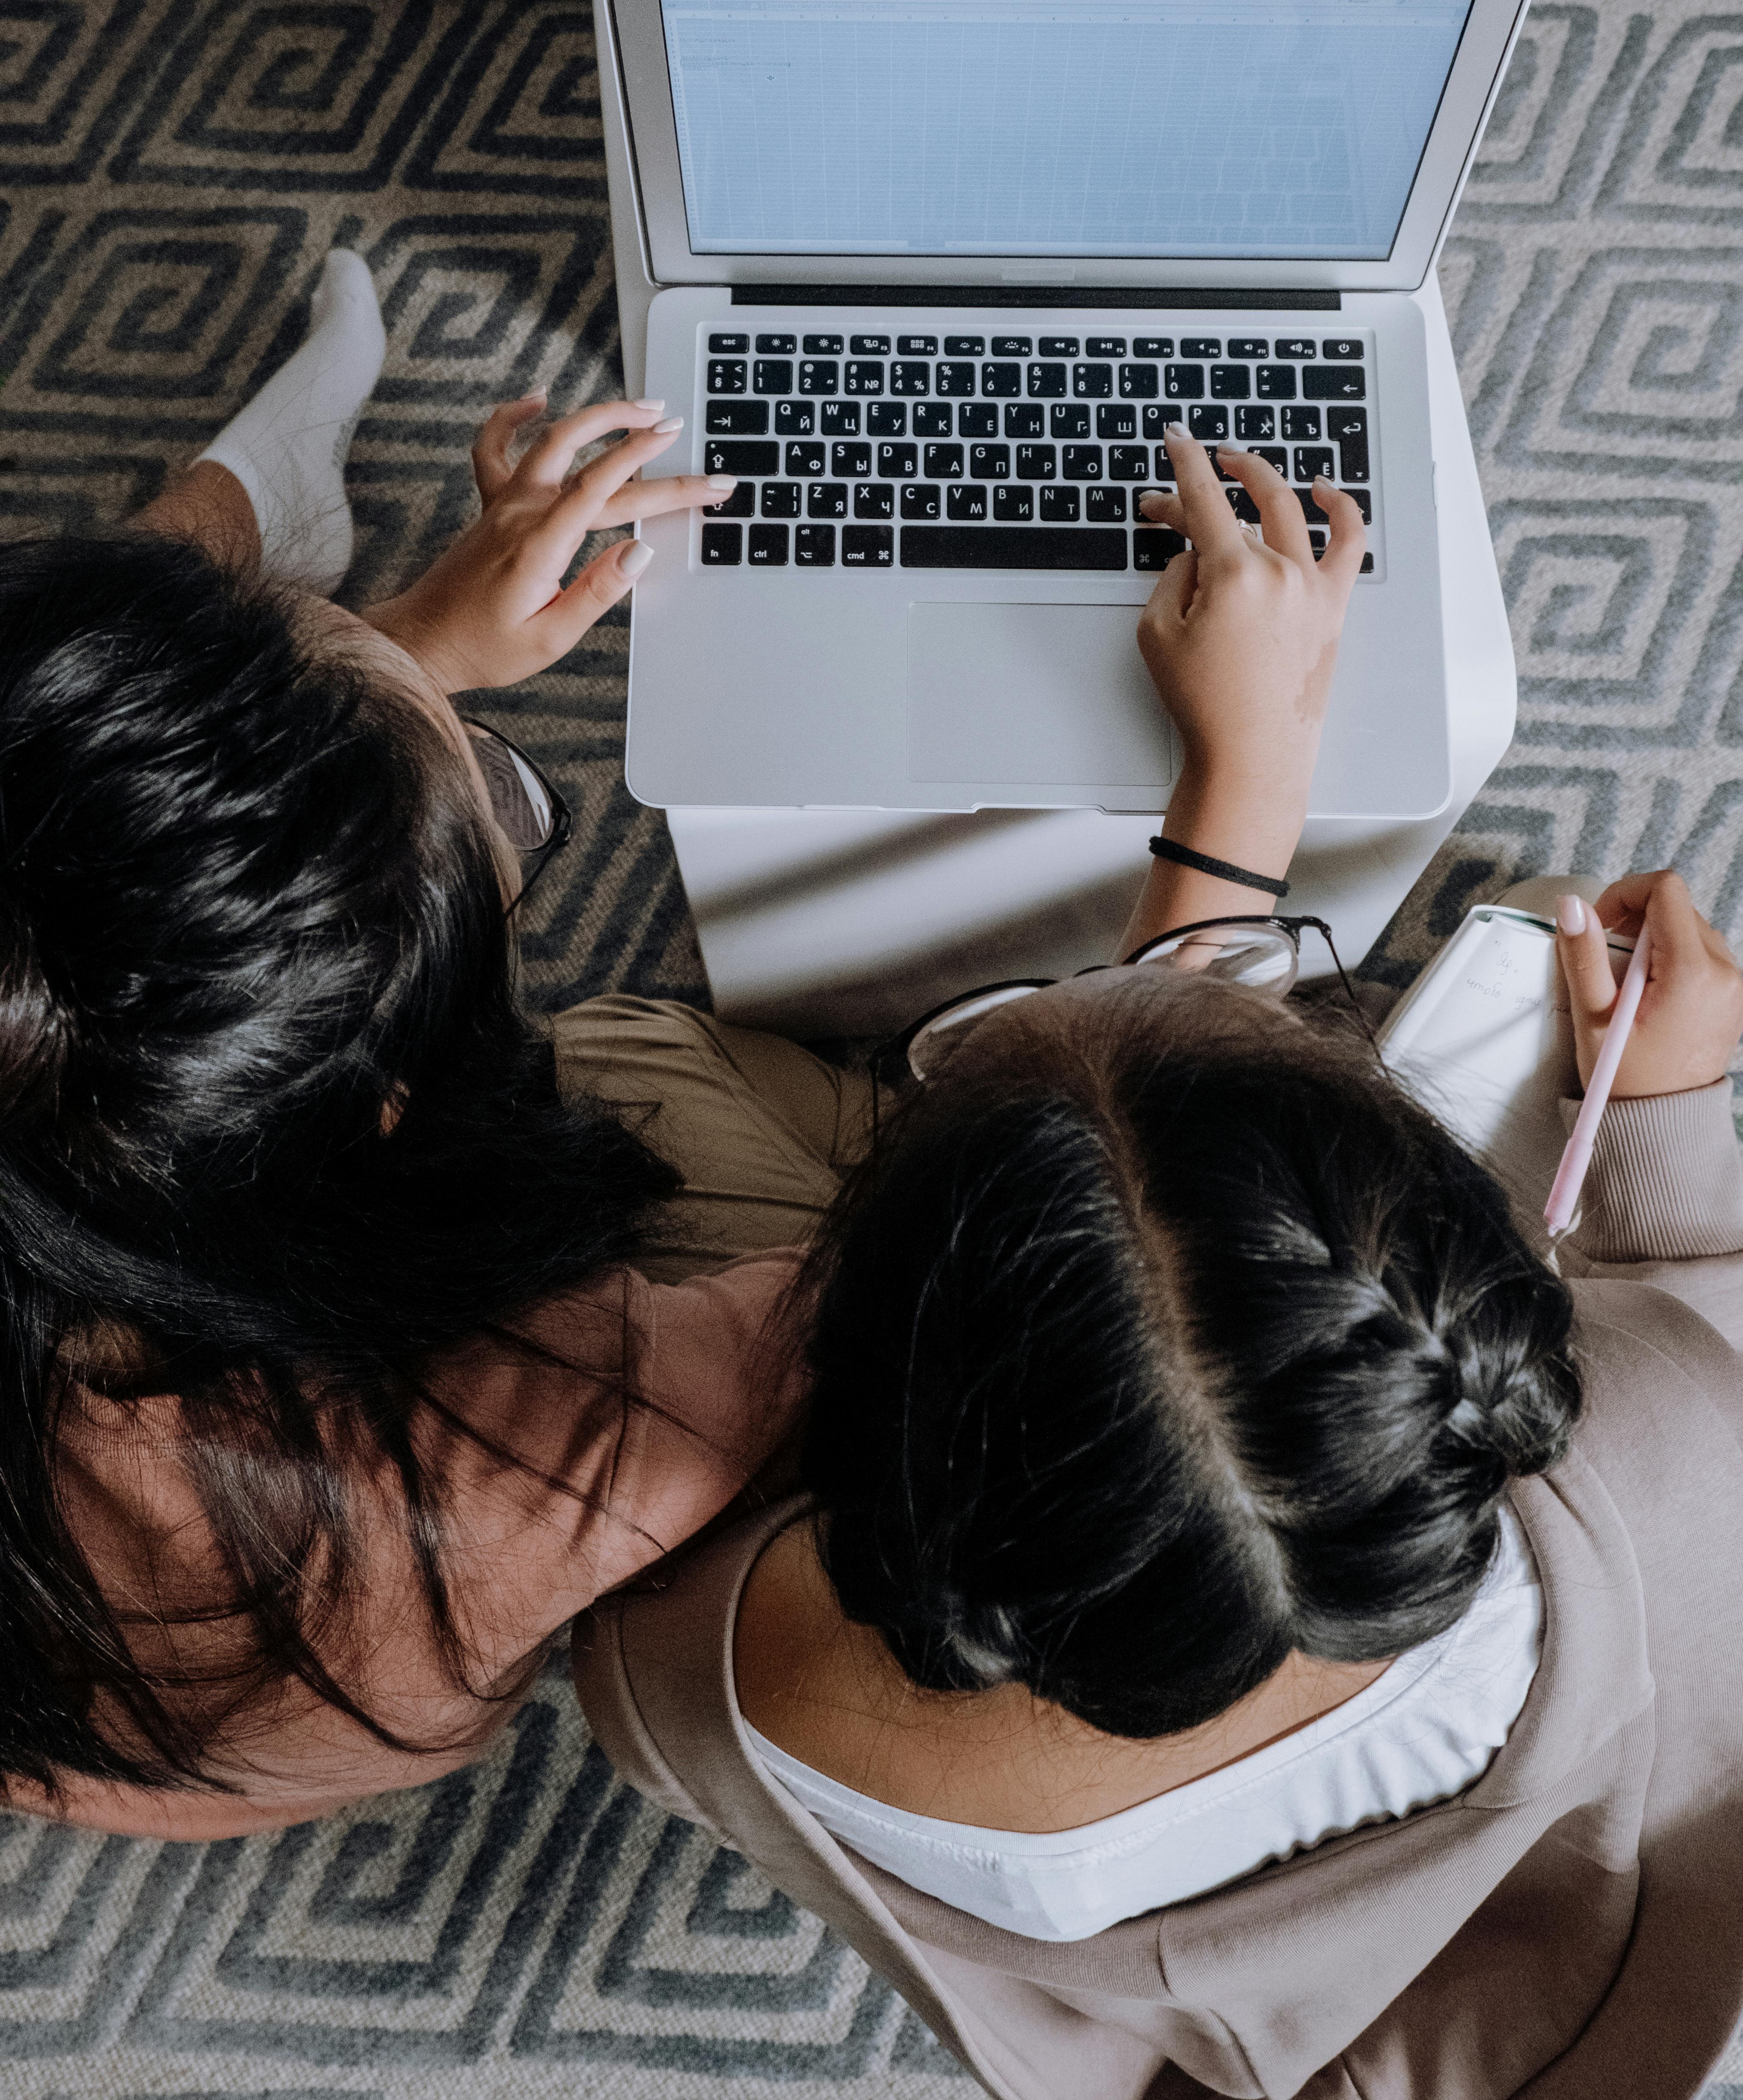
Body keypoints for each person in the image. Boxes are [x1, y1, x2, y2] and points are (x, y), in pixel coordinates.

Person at [576, 434, 1743, 2100]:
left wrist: (1230, 813)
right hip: (1568, 2004)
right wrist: (1672, 1097)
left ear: (836, 1364)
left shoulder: (697, 1667)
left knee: (618, 1056)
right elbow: (1703, 1268)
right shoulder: (1684, 1462)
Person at [0, 249, 872, 1838]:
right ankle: (242, 535)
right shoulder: (534, 1436)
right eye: (502, 820)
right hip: (295, 1676)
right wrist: (1227, 840)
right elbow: (1003, 1248)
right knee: (694, 1076)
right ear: (384, 1099)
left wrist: (397, 657)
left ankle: (252, 512)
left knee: (61, 736)